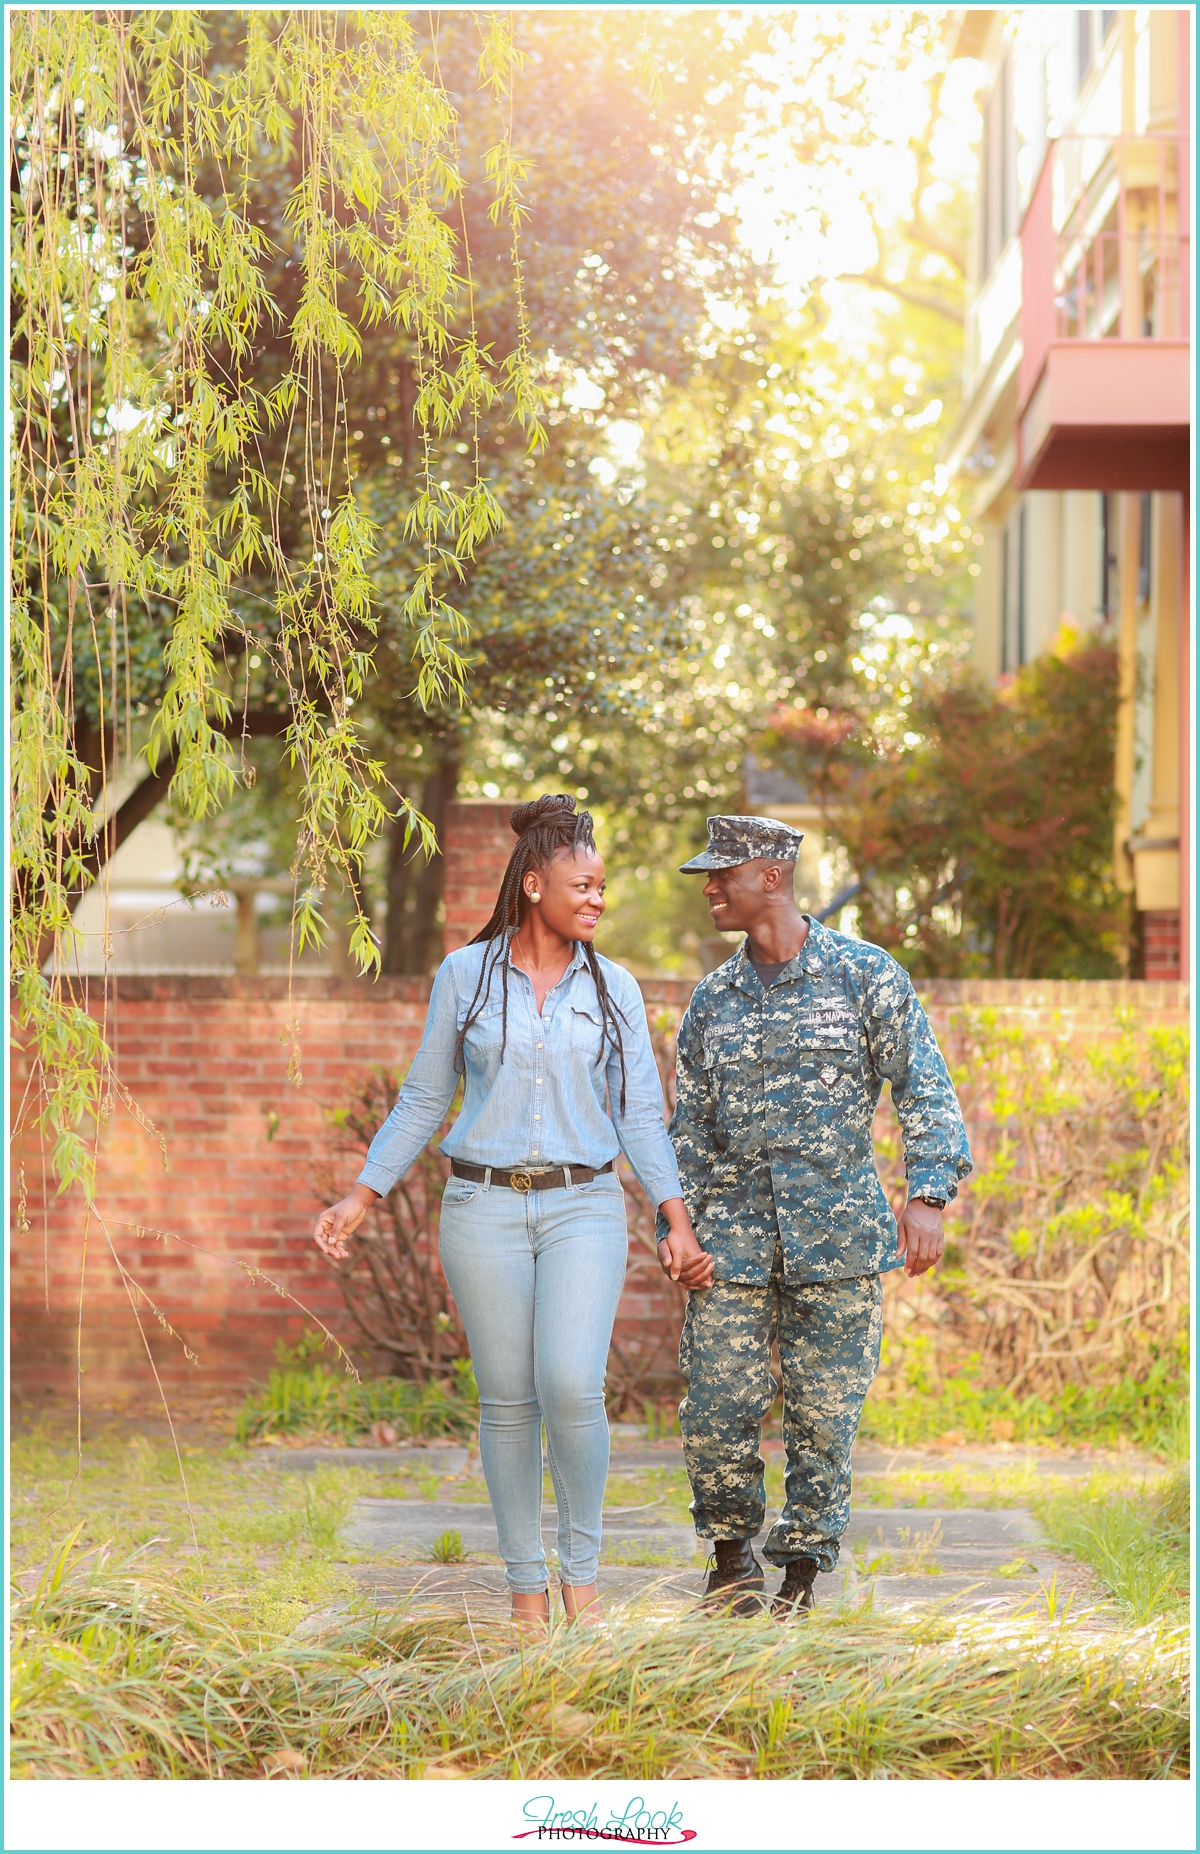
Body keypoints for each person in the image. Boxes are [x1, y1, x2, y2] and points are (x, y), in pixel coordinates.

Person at [314, 795, 713, 1631]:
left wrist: (675, 1217)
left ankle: (586, 1586)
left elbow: (643, 1115)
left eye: (604, 887)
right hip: (482, 1208)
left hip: (584, 1206)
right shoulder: (467, 976)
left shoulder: (616, 990)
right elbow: (426, 1097)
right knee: (506, 1402)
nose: (598, 899)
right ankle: (526, 1596)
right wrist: (362, 1193)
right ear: (533, 884)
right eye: (584, 884)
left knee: (572, 1386)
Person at [666, 814, 972, 1617]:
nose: (709, 889)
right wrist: (679, 1227)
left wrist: (928, 1195)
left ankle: (801, 1579)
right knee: (715, 1406)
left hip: (837, 1242)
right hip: (727, 1245)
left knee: (823, 1416)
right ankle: (731, 1563)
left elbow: (926, 1089)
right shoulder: (712, 1000)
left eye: (720, 874)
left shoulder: (865, 975)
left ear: (770, 875)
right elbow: (687, 1131)